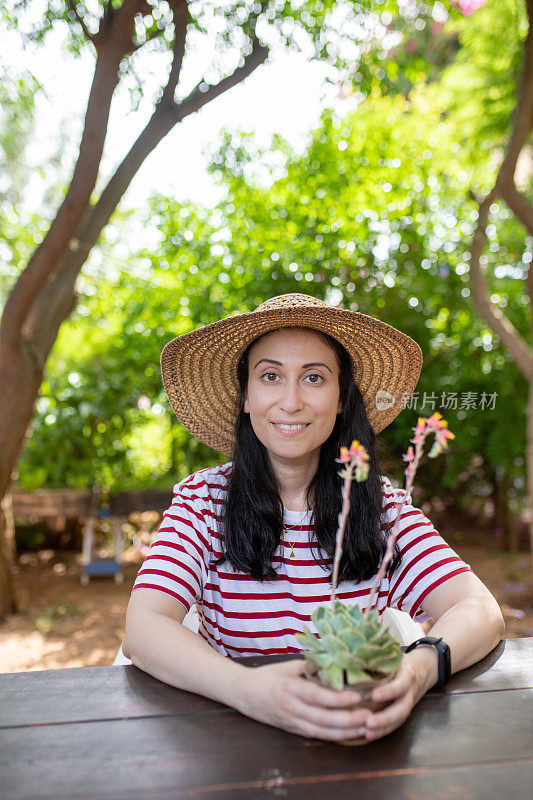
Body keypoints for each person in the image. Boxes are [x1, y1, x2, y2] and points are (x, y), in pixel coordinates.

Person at [123, 292, 504, 744]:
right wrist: (245, 689)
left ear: (341, 398)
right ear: (246, 396)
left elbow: (480, 609)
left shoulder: (382, 509)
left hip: (357, 741)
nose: (290, 401)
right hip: (230, 740)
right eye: (270, 376)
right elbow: (143, 626)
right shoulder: (204, 501)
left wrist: (421, 668)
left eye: (314, 378)